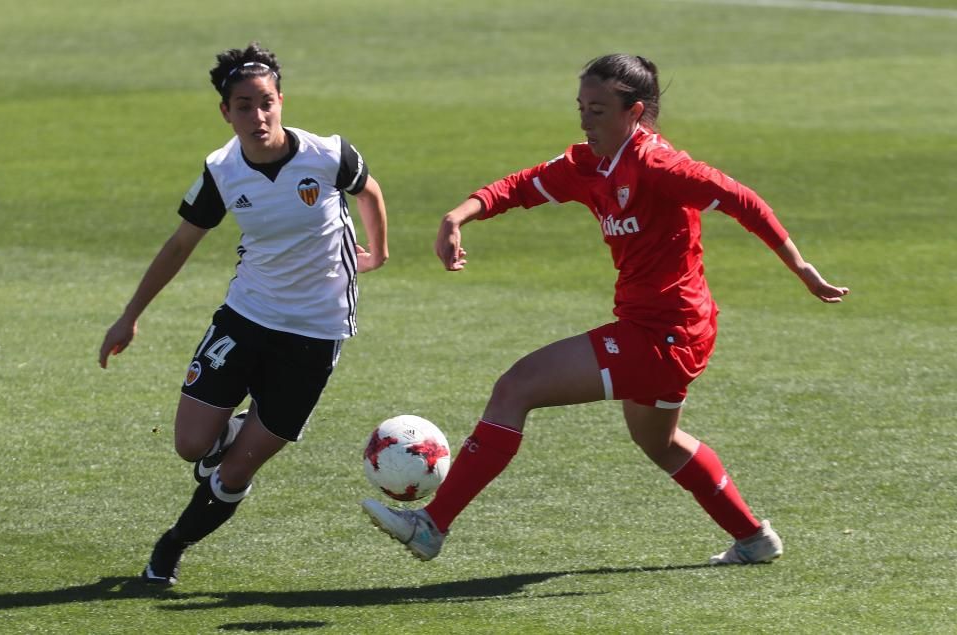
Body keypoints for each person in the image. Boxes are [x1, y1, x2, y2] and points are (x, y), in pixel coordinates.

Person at [361, 53, 847, 565]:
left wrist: (800, 266)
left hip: (665, 334)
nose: (584, 120)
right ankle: (754, 538)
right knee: (661, 443)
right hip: (671, 330)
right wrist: (458, 215)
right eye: (580, 107)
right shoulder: (591, 164)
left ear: (634, 112)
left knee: (516, 387)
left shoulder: (661, 167)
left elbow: (741, 199)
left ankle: (431, 526)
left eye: (597, 109)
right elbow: (521, 187)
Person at [99, 42, 389, 585]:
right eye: (243, 105)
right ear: (225, 112)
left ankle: (172, 545)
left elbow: (368, 190)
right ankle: (233, 433)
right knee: (190, 444)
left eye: (266, 102)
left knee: (236, 469)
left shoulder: (327, 155)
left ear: (281, 100)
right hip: (246, 314)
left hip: (316, 329)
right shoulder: (221, 170)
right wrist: (129, 315)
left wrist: (379, 251)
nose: (257, 116)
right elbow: (180, 244)